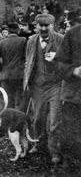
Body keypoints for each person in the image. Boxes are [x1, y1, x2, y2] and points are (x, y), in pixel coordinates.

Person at [23, 14, 63, 163]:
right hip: (37, 87)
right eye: (41, 25)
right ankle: (38, 143)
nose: (44, 28)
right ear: (37, 26)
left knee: (54, 121)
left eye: (47, 25)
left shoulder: (61, 39)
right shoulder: (31, 41)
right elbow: (28, 63)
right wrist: (27, 83)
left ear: (52, 26)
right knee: (38, 118)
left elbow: (69, 62)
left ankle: (54, 152)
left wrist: (57, 57)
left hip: (55, 86)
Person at [54, 10, 81, 169]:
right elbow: (59, 64)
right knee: (70, 129)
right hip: (75, 94)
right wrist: (74, 71)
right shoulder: (72, 34)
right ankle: (69, 159)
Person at [0, 22, 27, 109]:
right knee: (20, 100)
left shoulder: (1, 43)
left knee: (8, 101)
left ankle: (9, 120)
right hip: (20, 75)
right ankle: (19, 120)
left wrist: (1, 69)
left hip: (6, 75)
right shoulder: (23, 41)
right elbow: (28, 56)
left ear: (8, 31)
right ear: (18, 31)